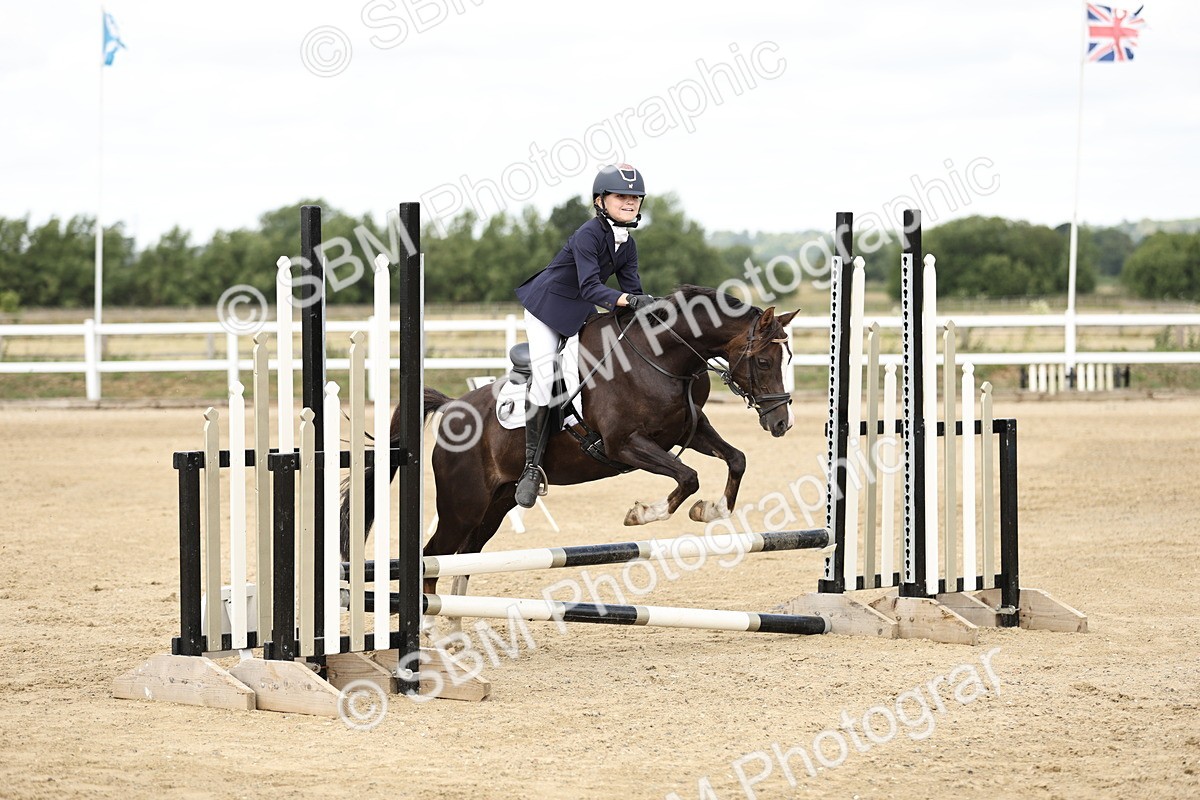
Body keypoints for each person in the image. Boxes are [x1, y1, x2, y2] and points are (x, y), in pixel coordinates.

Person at [511, 163, 657, 508]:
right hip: (547, 307)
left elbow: (632, 291)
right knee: (547, 378)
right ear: (600, 200)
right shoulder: (588, 234)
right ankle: (531, 467)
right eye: (622, 196)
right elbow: (592, 287)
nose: (630, 202)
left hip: (579, 309)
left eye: (635, 197)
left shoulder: (628, 243)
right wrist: (630, 300)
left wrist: (652, 309)